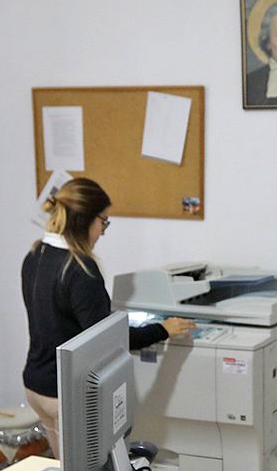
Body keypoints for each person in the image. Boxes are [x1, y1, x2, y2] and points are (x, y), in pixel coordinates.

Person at [21, 177, 191, 450]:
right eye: (104, 221)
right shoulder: (80, 270)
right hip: (65, 394)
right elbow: (109, 339)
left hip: (36, 385)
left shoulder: (35, 254)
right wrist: (163, 330)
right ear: (86, 220)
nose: (103, 231)